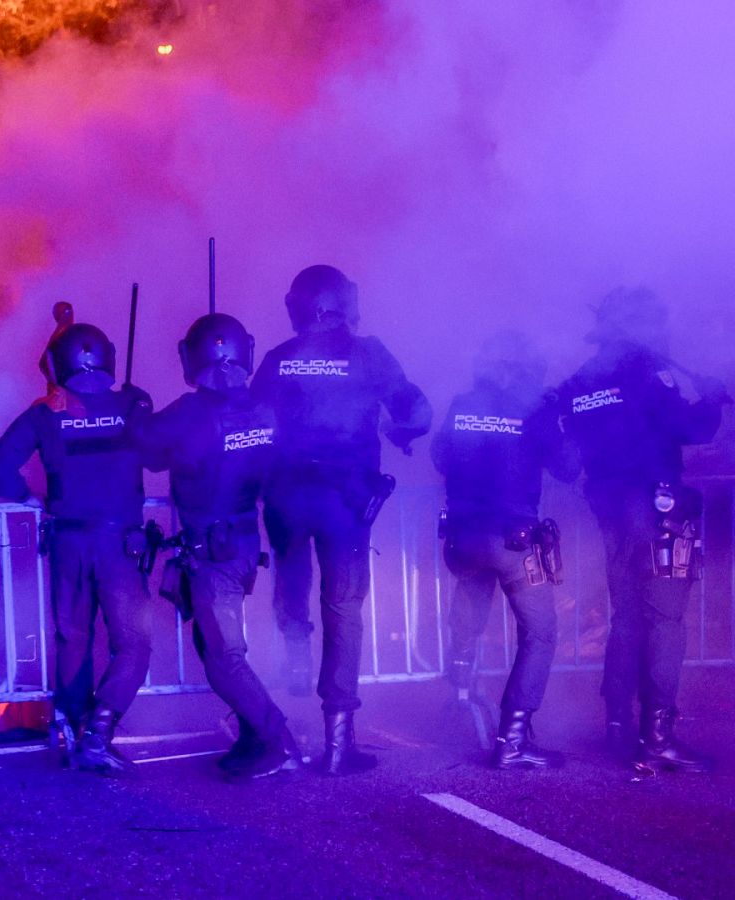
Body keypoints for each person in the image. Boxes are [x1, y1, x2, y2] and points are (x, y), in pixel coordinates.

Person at [250, 264, 431, 775]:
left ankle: (295, 655)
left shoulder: (278, 359)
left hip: (286, 496)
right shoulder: (371, 355)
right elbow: (417, 412)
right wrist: (403, 434)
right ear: (341, 302)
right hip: (346, 504)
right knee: (345, 608)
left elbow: (251, 424)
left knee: (291, 575)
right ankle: (337, 740)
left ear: (300, 306)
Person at [555, 288, 726, 772]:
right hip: (655, 513)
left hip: (608, 511)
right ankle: (658, 736)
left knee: (627, 618)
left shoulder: (579, 382)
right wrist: (711, 399)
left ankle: (617, 726)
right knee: (665, 623)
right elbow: (693, 428)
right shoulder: (648, 375)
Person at [133, 314, 302, 780]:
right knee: (216, 650)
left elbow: (143, 443)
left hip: (212, 553)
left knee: (224, 657)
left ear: (191, 358)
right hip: (244, 543)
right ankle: (253, 733)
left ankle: (276, 740)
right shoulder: (265, 408)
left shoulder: (188, 412)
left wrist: (134, 406)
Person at [0, 321, 152, 774]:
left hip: (68, 542)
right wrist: (137, 408)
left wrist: (29, 499)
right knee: (134, 642)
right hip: (119, 544)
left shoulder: (45, 412)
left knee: (73, 639)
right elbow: (158, 454)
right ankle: (99, 731)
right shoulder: (131, 404)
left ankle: (79, 733)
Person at [432, 331, 578, 769]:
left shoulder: (463, 405)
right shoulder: (533, 411)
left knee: (472, 595)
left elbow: (440, 457)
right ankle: (513, 739)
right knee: (541, 633)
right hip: (512, 540)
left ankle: (459, 687)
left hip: (461, 538)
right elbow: (569, 469)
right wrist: (553, 418)